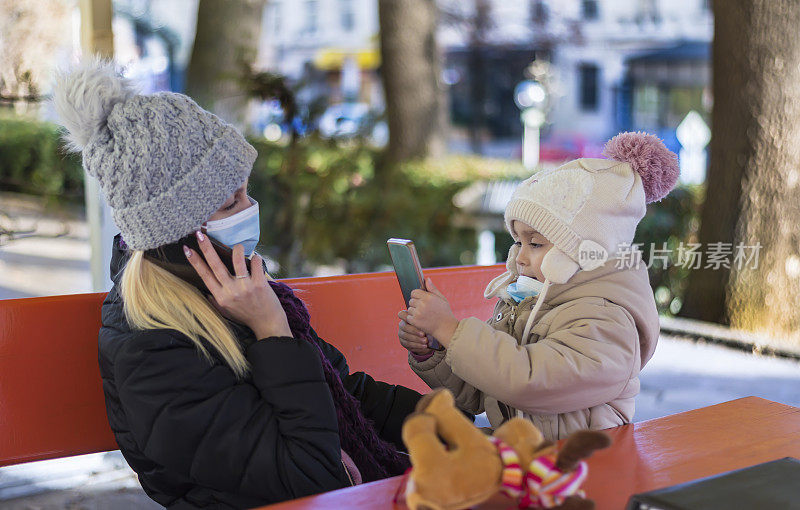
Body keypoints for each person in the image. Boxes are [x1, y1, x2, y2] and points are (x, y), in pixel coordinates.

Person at [53, 60, 421, 509]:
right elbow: (310, 476)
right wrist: (272, 333)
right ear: (179, 230)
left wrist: (450, 416)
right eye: (232, 202)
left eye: (246, 191)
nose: (252, 208)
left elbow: (342, 394)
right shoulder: (151, 348)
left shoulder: (232, 287)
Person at [397, 132, 679, 441]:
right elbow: (481, 391)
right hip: (523, 455)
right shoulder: (526, 301)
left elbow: (529, 382)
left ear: (586, 250)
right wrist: (434, 348)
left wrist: (450, 329)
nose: (520, 257)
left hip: (581, 466)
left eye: (535, 243)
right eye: (517, 242)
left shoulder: (607, 319)